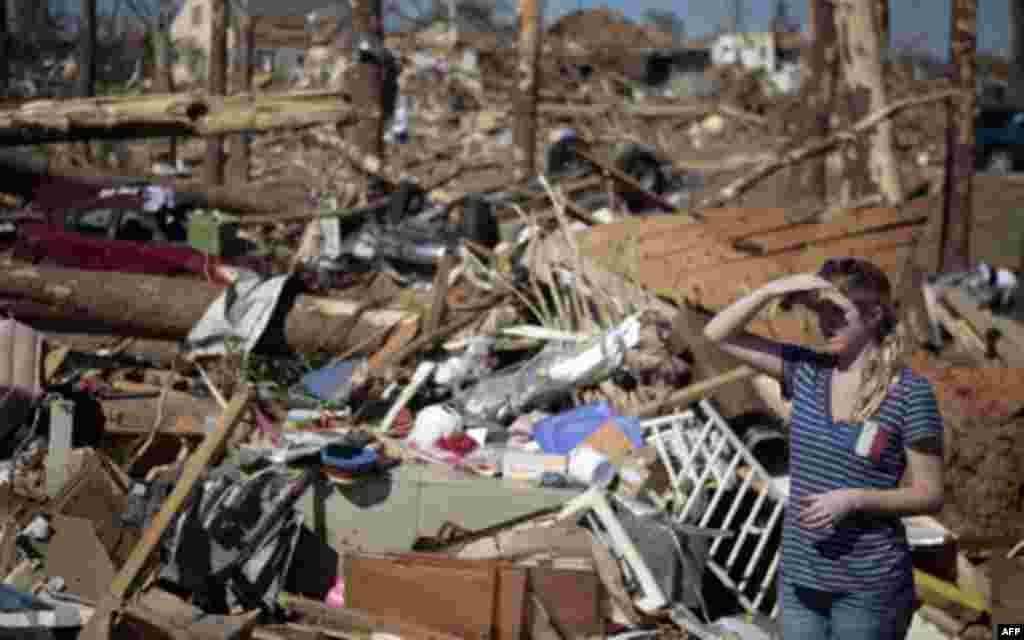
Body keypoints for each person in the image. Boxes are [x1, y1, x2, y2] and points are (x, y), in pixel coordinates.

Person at [702, 257, 945, 640]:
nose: (826, 324)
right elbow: (718, 334)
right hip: (800, 577)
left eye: (837, 314)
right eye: (820, 313)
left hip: (868, 587)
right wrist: (772, 290)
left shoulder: (909, 394)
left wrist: (854, 498)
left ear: (874, 315)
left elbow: (930, 494)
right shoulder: (806, 371)